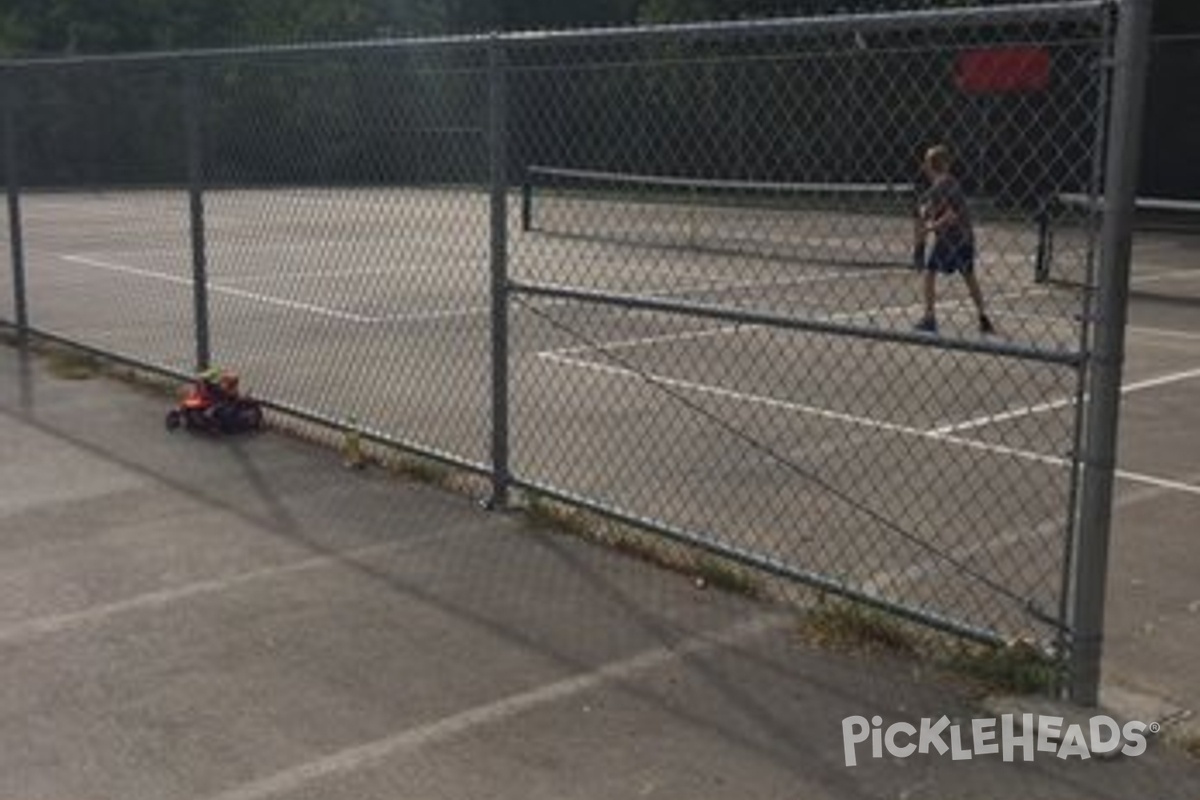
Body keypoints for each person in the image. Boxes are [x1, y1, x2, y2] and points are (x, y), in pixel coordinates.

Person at [913, 144, 994, 335]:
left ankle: (930, 317)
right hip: (965, 238)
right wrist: (926, 214)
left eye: (926, 162)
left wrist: (929, 228)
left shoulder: (941, 185)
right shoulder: (949, 183)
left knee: (929, 272)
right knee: (969, 276)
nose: (924, 166)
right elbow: (936, 209)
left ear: (930, 165)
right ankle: (983, 317)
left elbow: (950, 216)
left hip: (951, 239)